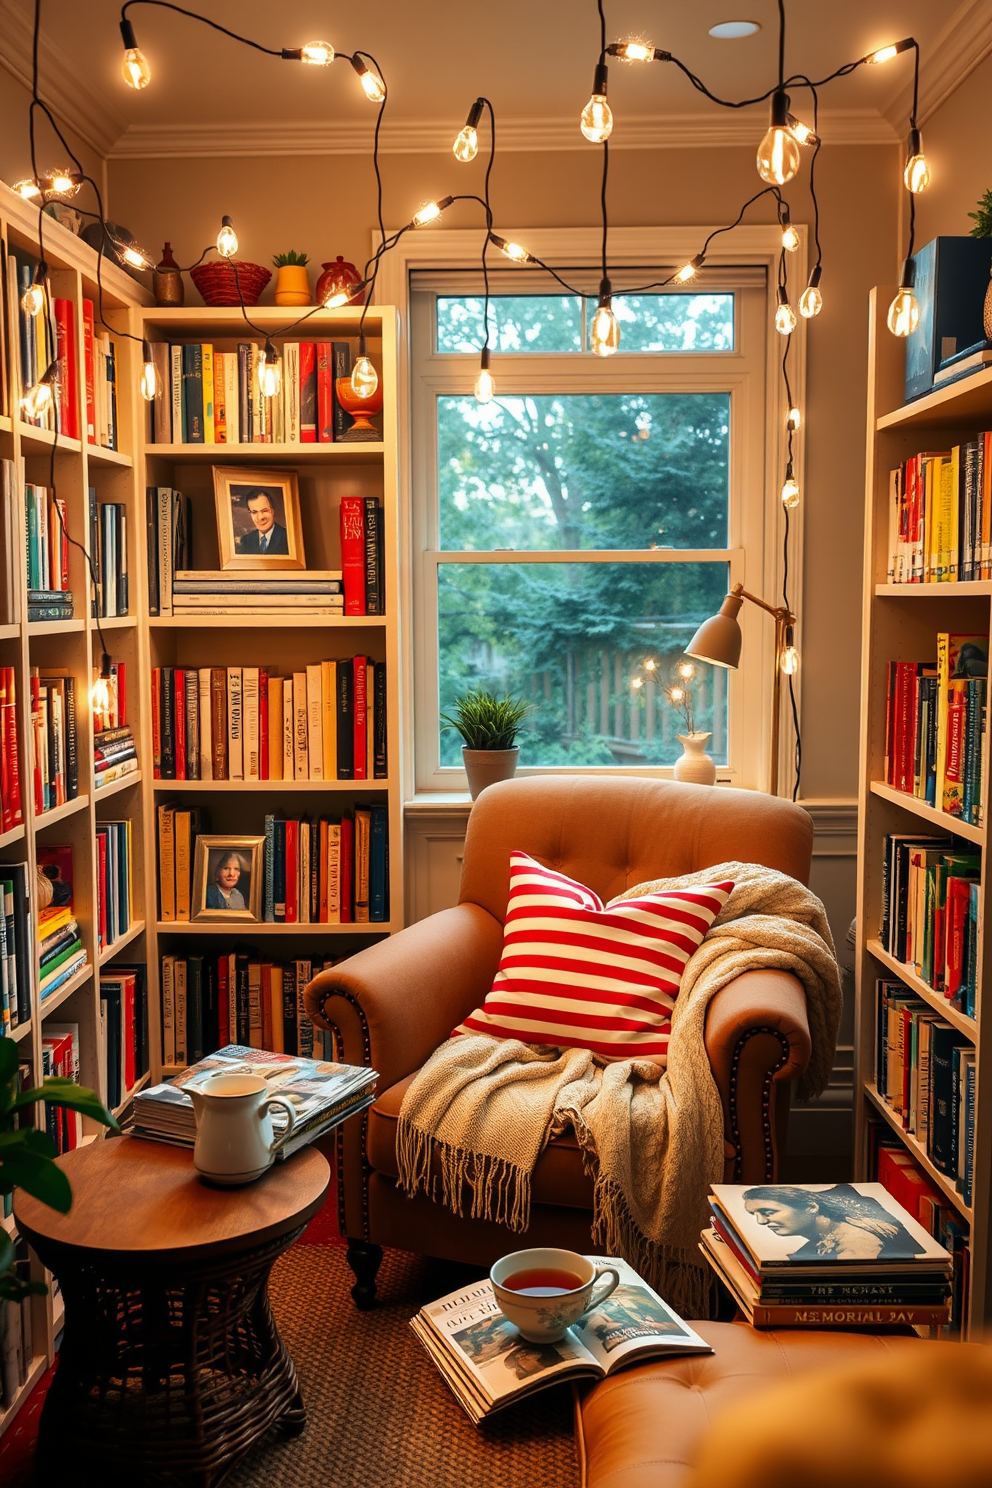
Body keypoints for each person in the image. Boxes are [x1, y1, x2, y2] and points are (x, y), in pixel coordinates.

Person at [741, 1184, 926, 1262]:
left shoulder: (855, 1239)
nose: (761, 1222)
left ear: (812, 1207)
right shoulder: (826, 1231)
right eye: (754, 1214)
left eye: (768, 1212)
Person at [235, 489, 289, 555]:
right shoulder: (246, 540)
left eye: (265, 511)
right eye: (254, 512)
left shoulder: (287, 537)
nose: (260, 517)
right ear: (250, 515)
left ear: (272, 511)